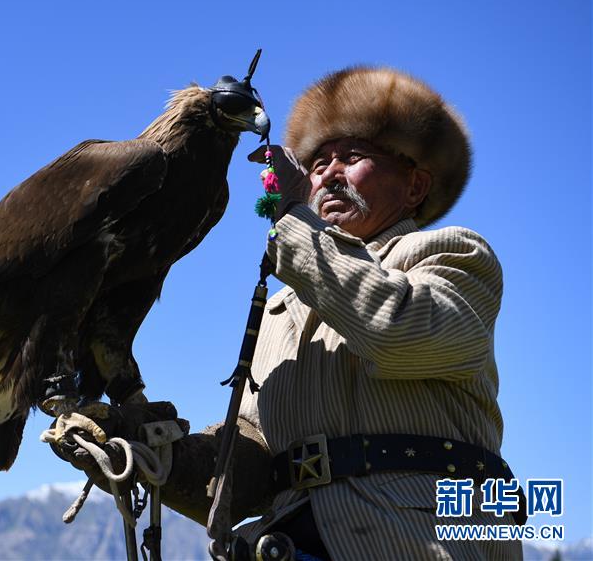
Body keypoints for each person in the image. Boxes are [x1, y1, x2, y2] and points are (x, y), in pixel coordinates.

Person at [53, 67, 521, 561]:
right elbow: (255, 457)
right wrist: (156, 455)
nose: (329, 174)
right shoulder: (281, 309)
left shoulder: (451, 256)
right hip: (287, 543)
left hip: (422, 536)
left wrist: (296, 218)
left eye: (353, 157)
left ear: (415, 186)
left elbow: (397, 330)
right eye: (318, 163)